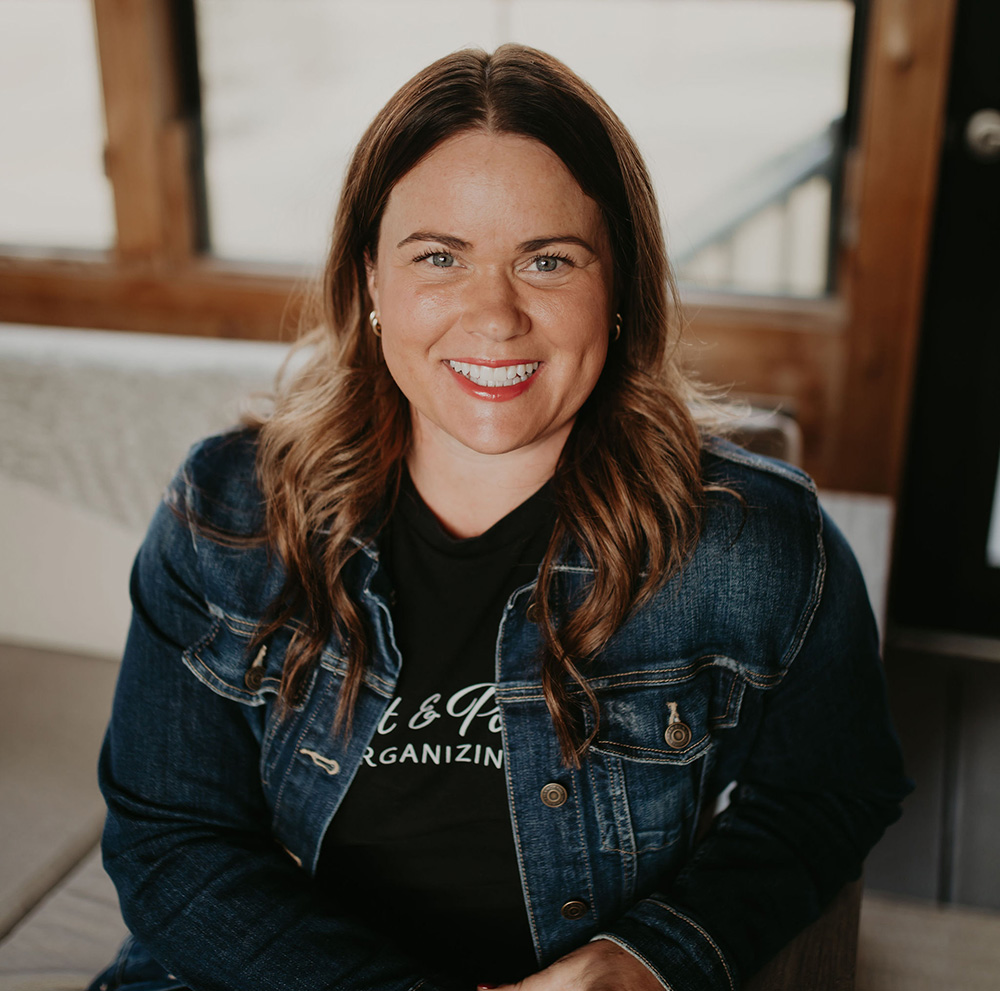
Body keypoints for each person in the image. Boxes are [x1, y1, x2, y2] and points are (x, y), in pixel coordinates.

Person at [90, 44, 910, 991]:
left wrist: (655, 958)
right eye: (439, 256)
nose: (495, 315)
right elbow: (169, 839)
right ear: (369, 282)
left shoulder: (756, 544)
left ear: (618, 287)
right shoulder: (227, 516)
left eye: (548, 260)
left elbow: (832, 792)